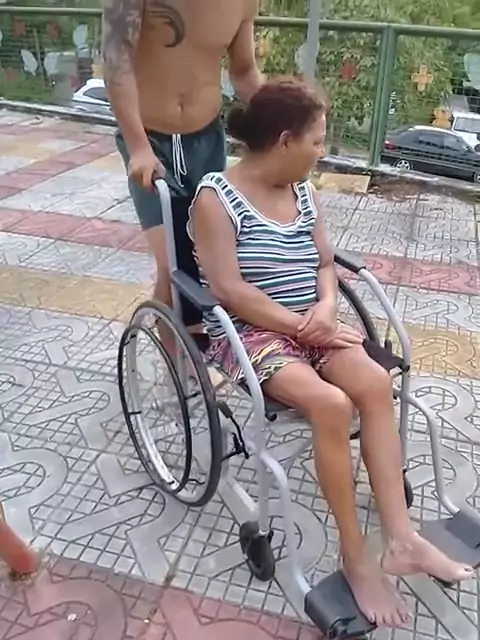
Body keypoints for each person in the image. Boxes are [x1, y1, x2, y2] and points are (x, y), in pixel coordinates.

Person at [187, 77, 473, 628]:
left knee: (374, 383)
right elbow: (228, 289)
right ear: (286, 140)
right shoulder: (215, 199)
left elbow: (324, 263)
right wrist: (302, 325)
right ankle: (354, 556)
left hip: (313, 323)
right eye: (317, 141)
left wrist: (323, 308)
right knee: (332, 405)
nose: (322, 151)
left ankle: (401, 540)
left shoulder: (304, 192)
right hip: (250, 334)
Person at [102, 0, 263, 332]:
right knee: (174, 263)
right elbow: (117, 62)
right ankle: (176, 355)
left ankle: (183, 347)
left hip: (206, 138)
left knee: (206, 258)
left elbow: (244, 71)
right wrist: (138, 147)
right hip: (151, 139)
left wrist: (286, 115)